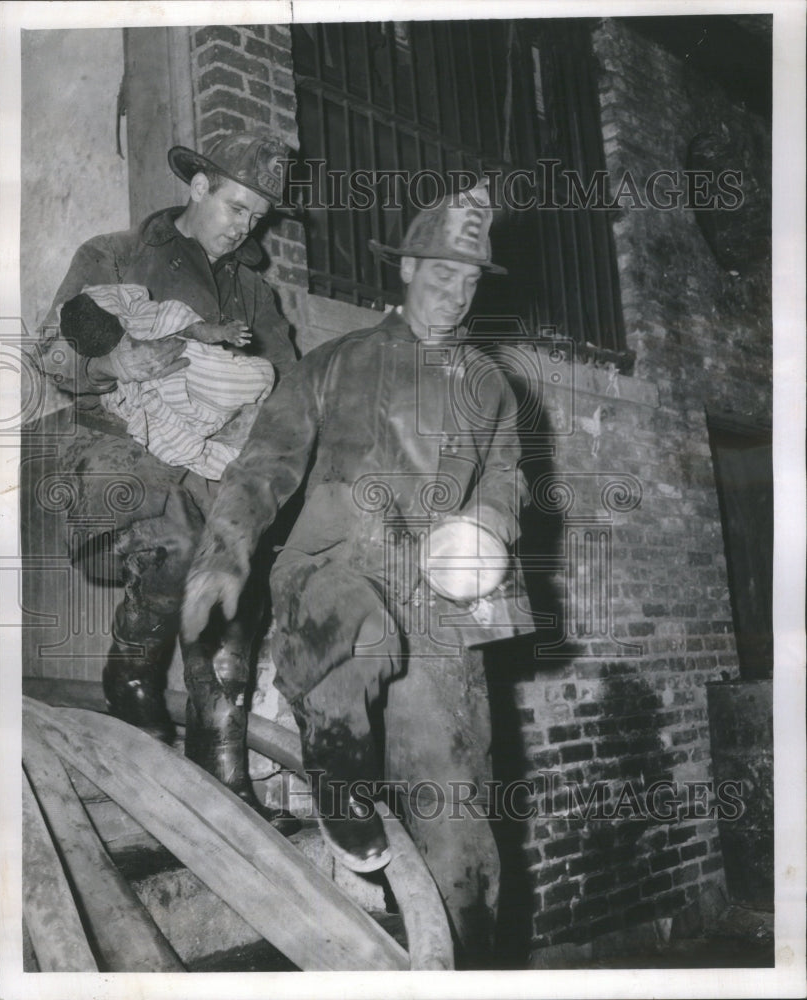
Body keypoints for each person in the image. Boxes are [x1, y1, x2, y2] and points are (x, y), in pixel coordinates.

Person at [182, 182, 534, 962]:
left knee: (460, 832)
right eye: (442, 273)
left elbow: (507, 477)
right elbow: (265, 463)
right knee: (360, 635)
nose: (456, 292)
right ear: (406, 268)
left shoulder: (489, 385)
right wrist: (225, 555)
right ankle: (344, 799)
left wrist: (491, 526)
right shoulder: (332, 365)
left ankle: (468, 966)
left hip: (441, 608)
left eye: (470, 280)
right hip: (333, 574)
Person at [36, 132, 298, 828]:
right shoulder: (114, 254)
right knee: (178, 545)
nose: (245, 226)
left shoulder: (253, 293)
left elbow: (288, 397)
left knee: (233, 597)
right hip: (122, 452)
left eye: (258, 217)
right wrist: (117, 363)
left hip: (218, 464)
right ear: (199, 186)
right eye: (236, 206)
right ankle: (131, 677)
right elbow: (53, 352)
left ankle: (229, 785)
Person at [57, 284, 275, 480]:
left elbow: (188, 326)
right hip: (159, 400)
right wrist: (108, 367)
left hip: (200, 371)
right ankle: (224, 451)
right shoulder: (121, 259)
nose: (240, 235)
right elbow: (54, 370)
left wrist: (224, 332)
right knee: (174, 442)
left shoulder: (150, 318)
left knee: (249, 379)